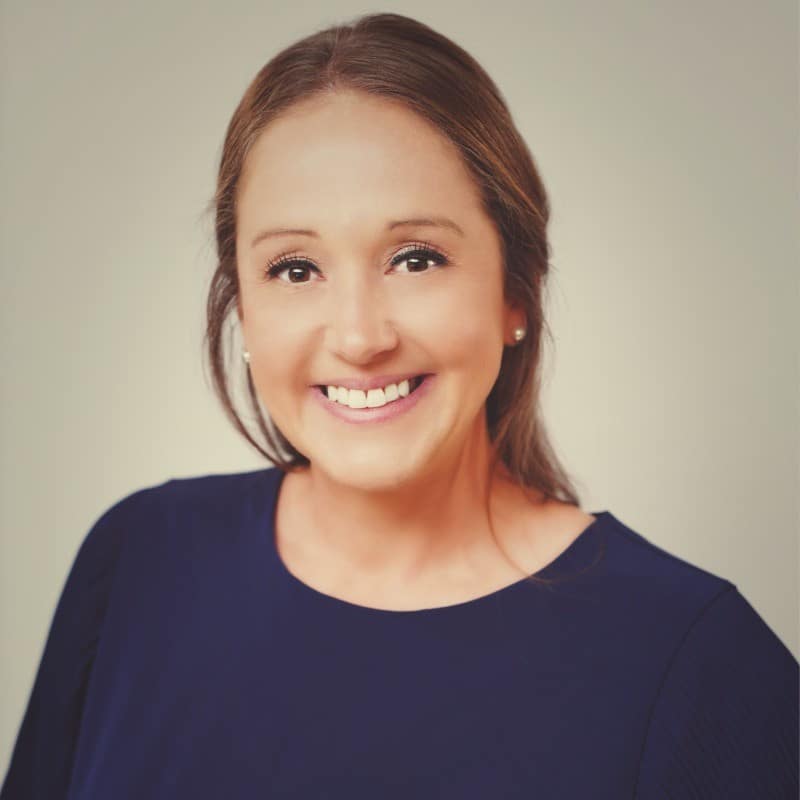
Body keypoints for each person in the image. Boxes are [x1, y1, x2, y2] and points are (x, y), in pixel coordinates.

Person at [2, 11, 797, 799]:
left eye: (416, 258)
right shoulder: (136, 564)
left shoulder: (695, 661)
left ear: (515, 291)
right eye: (294, 267)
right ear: (241, 304)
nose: (358, 335)